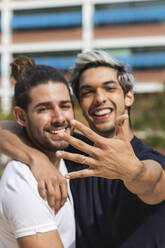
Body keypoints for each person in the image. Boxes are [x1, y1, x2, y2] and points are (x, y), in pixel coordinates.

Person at [1, 50, 165, 247]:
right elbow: (6, 129)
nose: (99, 98)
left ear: (128, 96)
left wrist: (133, 172)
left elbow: (155, 184)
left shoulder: (149, 158)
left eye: (109, 88)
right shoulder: (69, 150)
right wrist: (36, 159)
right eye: (87, 92)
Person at [0, 56, 75, 248]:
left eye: (65, 106)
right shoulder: (22, 181)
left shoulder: (69, 154)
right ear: (21, 116)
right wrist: (35, 158)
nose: (59, 118)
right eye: (44, 109)